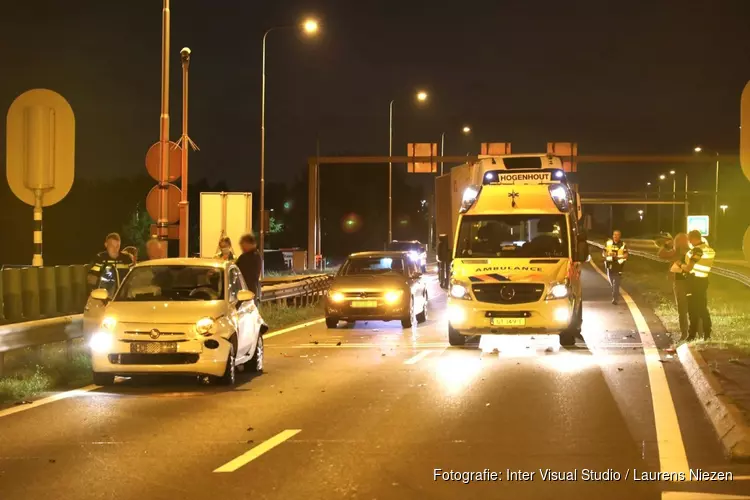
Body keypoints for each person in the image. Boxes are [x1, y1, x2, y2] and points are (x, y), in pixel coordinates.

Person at [681, 230, 715, 341]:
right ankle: (706, 333)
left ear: (693, 238)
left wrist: (680, 265)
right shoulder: (709, 250)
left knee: (693, 309)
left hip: (694, 282)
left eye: (689, 239)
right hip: (703, 281)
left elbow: (689, 267)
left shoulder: (697, 251)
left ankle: (693, 335)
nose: (689, 242)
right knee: (702, 308)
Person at [658, 232, 690, 341]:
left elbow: (661, 254)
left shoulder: (674, 253)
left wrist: (667, 245)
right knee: (693, 308)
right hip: (692, 282)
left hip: (679, 282)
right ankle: (696, 331)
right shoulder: (691, 252)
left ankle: (684, 333)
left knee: (682, 309)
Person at [235, 233, 262, 305]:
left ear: (248, 243)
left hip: (245, 291)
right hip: (252, 290)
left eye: (242, 244)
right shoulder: (257, 255)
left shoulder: (247, 257)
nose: (241, 247)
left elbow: (237, 270)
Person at [603, 230, 628, 304]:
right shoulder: (608, 243)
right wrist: (607, 254)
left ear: (620, 236)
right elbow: (604, 252)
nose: (615, 236)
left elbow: (626, 255)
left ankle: (615, 298)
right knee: (611, 282)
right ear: (612, 235)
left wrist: (617, 257)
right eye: (614, 234)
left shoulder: (623, 244)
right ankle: (614, 292)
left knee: (616, 283)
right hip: (609, 264)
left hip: (618, 265)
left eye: (617, 235)